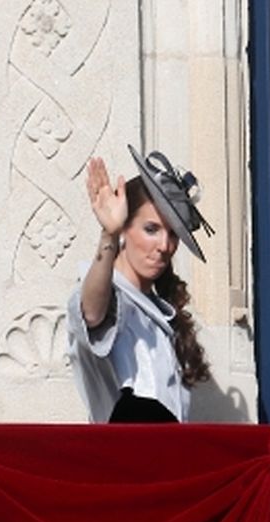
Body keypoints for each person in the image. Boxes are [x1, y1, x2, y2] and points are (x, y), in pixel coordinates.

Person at [67, 145, 213, 422]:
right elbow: (91, 314)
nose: (164, 246)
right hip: (121, 457)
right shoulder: (108, 297)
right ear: (125, 228)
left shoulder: (161, 317)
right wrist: (108, 234)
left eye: (173, 235)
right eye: (151, 229)